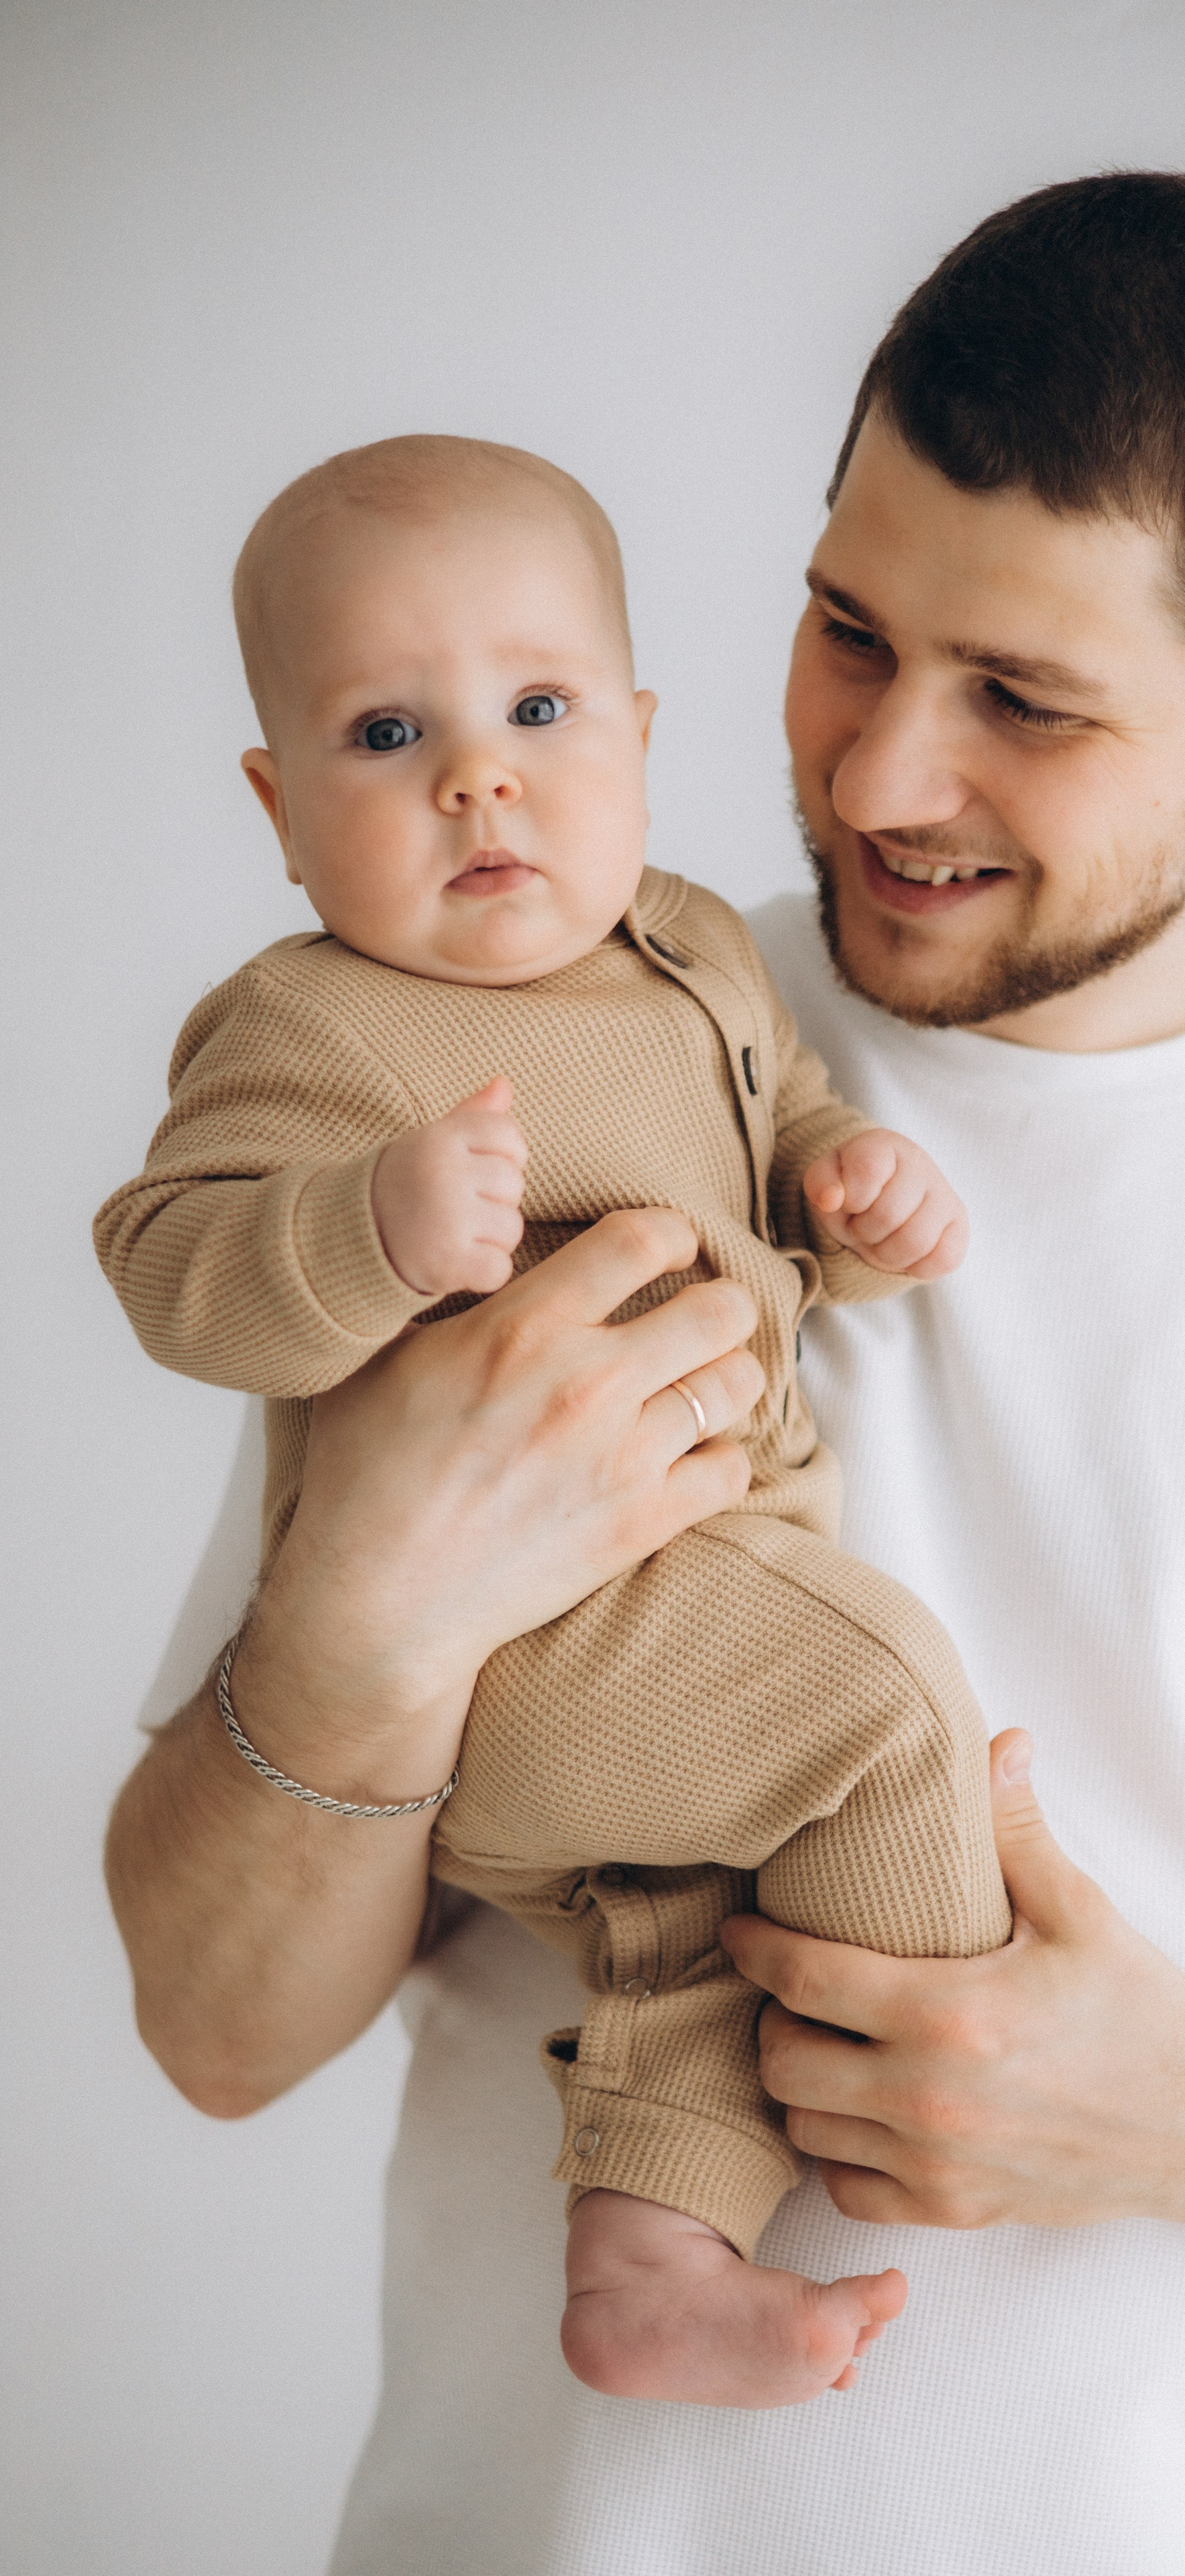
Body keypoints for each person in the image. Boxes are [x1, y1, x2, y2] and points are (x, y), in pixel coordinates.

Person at [105, 174, 1185, 2575]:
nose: (873, 779)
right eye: (845, 631)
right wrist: (371, 1622)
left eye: (1028, 703)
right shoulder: (522, 1050)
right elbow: (217, 2032)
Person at [95, 431, 1012, 2406]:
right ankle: (939, 2082)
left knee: (686, 1927)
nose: (475, 777)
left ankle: (653, 2251)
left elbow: (768, 1138)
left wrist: (850, 1187)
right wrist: (369, 1226)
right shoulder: (319, 1026)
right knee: (885, 1708)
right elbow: (171, 1263)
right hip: (527, 1647)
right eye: (382, 734)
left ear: (638, 731)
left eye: (534, 709)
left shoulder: (687, 945)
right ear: (275, 807)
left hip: (685, 1603)